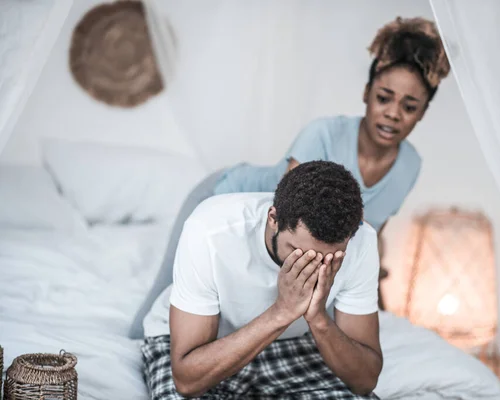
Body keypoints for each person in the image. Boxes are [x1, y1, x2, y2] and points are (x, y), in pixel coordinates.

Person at [129, 15, 450, 338]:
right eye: (384, 98)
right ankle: (132, 345)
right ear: (366, 93)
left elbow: (373, 233)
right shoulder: (322, 134)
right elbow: (295, 216)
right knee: (169, 289)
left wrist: (374, 302)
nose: (393, 114)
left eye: (409, 107)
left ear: (423, 112)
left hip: (280, 235)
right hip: (222, 193)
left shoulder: (410, 165)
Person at [141, 161, 382, 399]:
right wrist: (282, 312)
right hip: (207, 347)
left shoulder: (361, 243)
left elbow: (365, 380)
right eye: (299, 252)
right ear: (273, 218)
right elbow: (187, 381)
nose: (311, 267)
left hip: (292, 342)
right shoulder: (209, 230)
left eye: (327, 259)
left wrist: (318, 319)